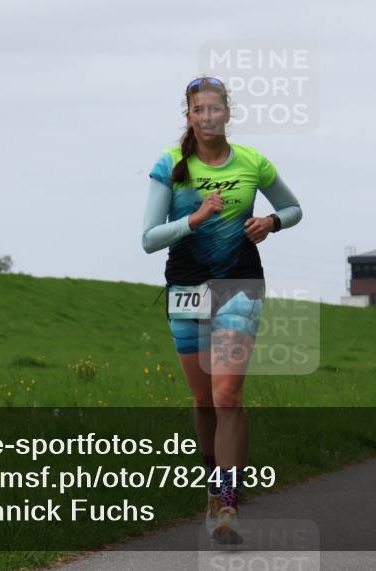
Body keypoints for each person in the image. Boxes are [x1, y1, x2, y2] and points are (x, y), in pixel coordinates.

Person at [142, 77, 302, 543]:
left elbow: (293, 208)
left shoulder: (253, 161)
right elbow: (149, 239)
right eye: (198, 110)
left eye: (215, 108)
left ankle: (228, 502)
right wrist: (194, 219)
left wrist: (271, 221)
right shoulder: (170, 165)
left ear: (227, 113)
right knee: (203, 399)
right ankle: (214, 486)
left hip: (239, 285)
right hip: (187, 289)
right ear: (189, 116)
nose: (207, 116)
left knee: (227, 394)